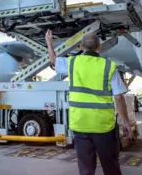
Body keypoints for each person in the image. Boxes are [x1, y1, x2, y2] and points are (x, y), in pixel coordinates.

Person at [45, 29, 133, 175]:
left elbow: (53, 61)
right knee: (110, 165)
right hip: (103, 126)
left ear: (81, 47)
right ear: (99, 47)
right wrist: (126, 121)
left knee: (86, 167)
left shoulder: (72, 62)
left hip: (80, 124)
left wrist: (49, 42)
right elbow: (118, 97)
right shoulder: (109, 66)